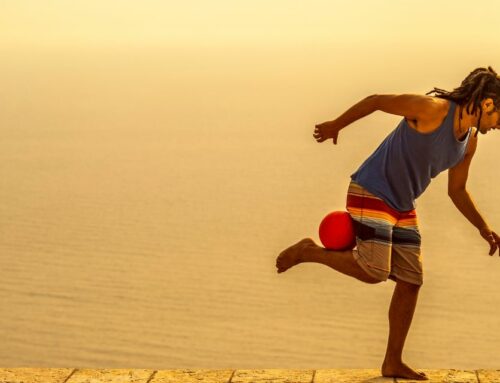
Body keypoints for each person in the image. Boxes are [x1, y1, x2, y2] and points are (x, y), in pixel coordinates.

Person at [275, 66, 500, 381]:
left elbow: (457, 190)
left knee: (411, 281)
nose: (499, 126)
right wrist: (336, 125)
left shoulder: (469, 142)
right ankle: (309, 251)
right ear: (488, 104)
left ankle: (392, 362)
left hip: (402, 203)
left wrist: (483, 227)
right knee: (374, 271)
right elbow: (377, 100)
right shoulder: (432, 109)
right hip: (371, 189)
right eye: (499, 118)